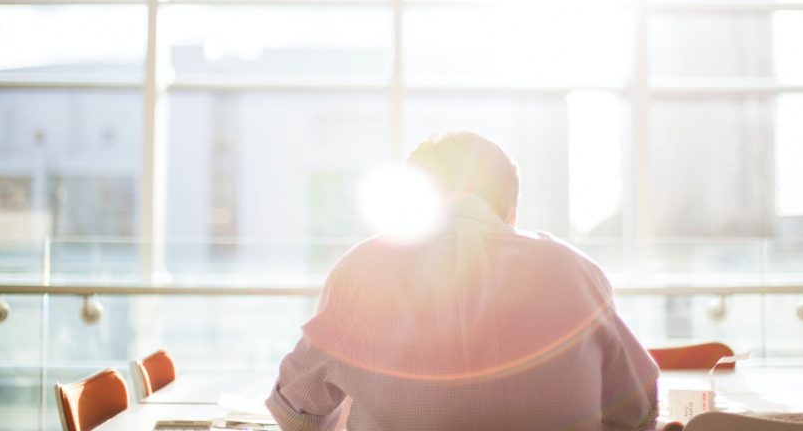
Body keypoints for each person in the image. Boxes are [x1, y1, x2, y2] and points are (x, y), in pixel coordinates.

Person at [267, 132, 659, 431]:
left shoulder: (362, 270)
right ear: (511, 208)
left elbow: (295, 410)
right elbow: (638, 409)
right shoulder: (575, 271)